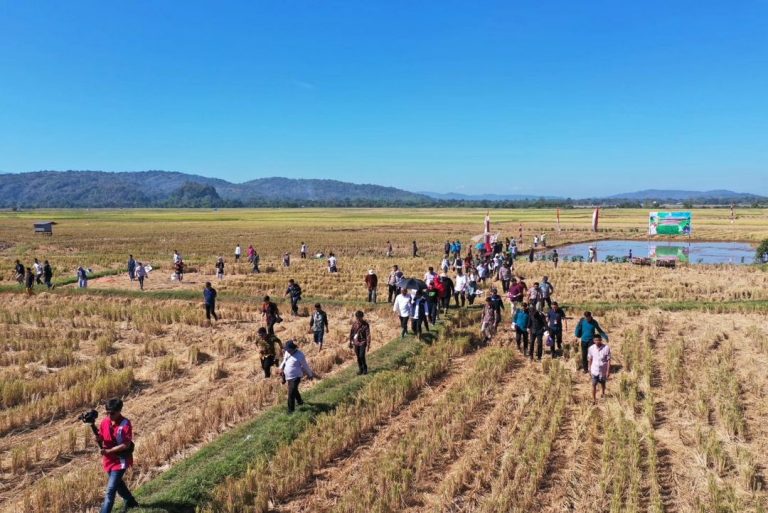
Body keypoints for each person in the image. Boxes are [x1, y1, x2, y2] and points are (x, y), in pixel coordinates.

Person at [97, 398, 138, 513]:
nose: (109, 416)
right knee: (118, 483)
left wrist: (109, 451)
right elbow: (101, 436)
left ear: (119, 411)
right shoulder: (105, 422)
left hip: (120, 460)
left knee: (110, 490)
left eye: (112, 413)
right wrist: (98, 438)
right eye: (107, 413)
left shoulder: (125, 424)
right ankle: (130, 501)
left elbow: (126, 444)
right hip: (108, 460)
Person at [279, 340, 315, 413]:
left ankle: (290, 411)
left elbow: (305, 366)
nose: (287, 351)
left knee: (291, 393)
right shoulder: (287, 352)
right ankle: (300, 402)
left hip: (296, 377)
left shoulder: (300, 355)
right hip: (288, 376)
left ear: (293, 348)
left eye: (289, 349)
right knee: (294, 390)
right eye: (286, 349)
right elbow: (284, 361)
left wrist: (310, 374)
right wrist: (280, 368)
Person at [588, 334, 611, 403]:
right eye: (595, 340)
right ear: (593, 341)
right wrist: (589, 369)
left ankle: (603, 393)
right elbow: (590, 359)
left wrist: (608, 371)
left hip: (603, 370)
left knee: (603, 383)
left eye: (598, 340)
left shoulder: (606, 348)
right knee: (593, 384)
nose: (597, 341)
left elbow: (609, 360)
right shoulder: (591, 348)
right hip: (594, 370)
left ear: (601, 340)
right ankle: (594, 399)